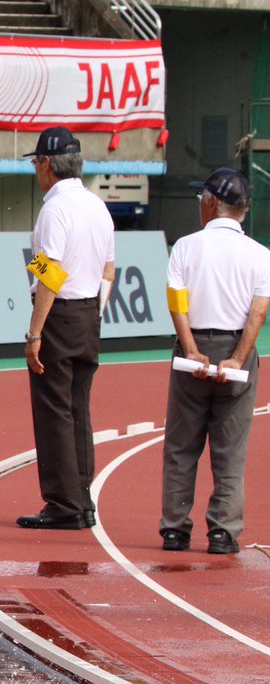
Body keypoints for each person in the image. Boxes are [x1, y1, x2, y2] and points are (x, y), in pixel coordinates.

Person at [160, 168, 270, 555]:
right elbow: (258, 313)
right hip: (236, 348)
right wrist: (238, 357)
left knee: (181, 446)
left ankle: (174, 528)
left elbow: (177, 301)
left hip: (194, 352)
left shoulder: (186, 247)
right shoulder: (260, 254)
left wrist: (190, 348)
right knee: (230, 448)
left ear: (210, 203)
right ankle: (223, 532)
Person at [17, 126, 115, 531]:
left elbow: (51, 274)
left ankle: (63, 503)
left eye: (37, 163)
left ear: (46, 165)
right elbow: (109, 268)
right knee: (78, 409)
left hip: (60, 314)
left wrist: (35, 332)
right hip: (88, 311)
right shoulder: (97, 205)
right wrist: (94, 312)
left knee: (54, 410)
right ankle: (82, 498)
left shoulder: (55, 209)